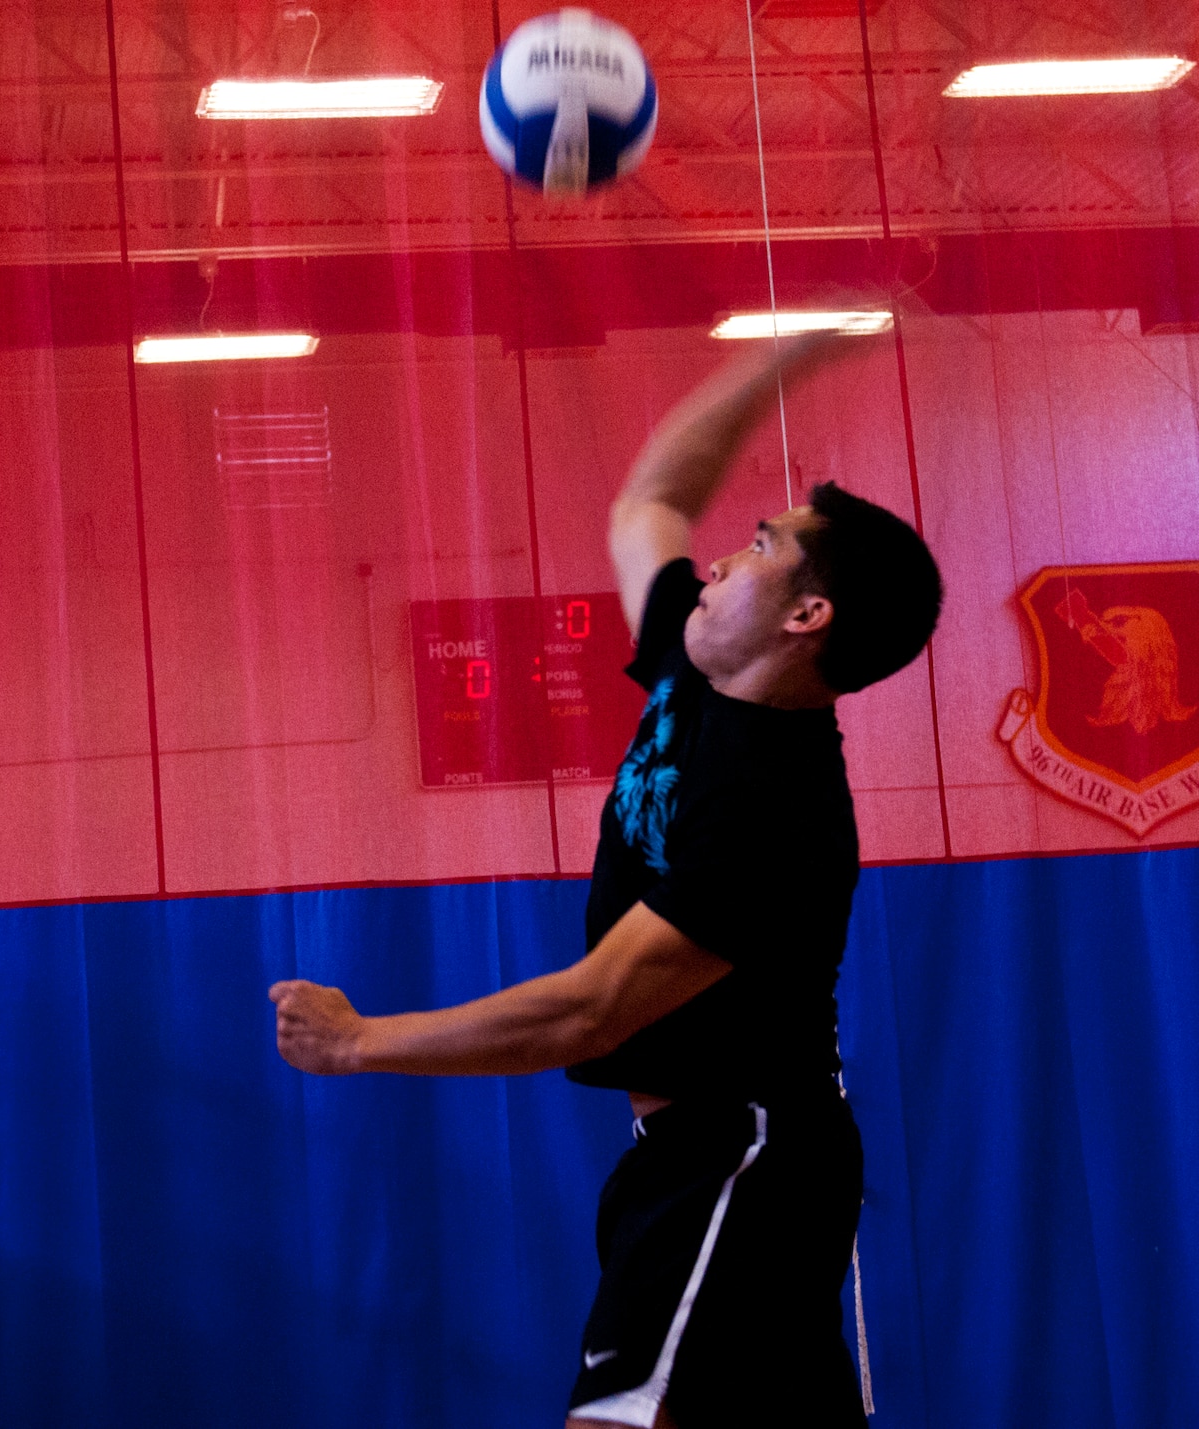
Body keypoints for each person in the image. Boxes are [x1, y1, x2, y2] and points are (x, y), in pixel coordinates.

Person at [269, 334, 943, 1429]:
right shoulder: (695, 661)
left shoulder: (775, 814)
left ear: (805, 615)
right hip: (696, 1157)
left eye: (761, 545)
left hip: (744, 1154)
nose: (721, 558)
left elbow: (589, 1008)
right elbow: (652, 497)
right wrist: (778, 359)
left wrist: (360, 1041)